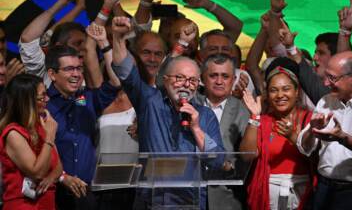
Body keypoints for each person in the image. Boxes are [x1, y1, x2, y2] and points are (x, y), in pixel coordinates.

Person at [110, 16, 225, 210]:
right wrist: (118, 38)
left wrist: (197, 129)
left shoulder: (205, 115)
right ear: (165, 79)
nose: (185, 85)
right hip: (153, 201)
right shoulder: (150, 102)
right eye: (179, 78)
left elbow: (219, 161)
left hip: (191, 202)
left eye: (192, 81)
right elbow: (125, 72)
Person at [45, 45, 119, 210]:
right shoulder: (42, 104)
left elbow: (116, 80)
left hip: (87, 194)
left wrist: (104, 43)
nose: (76, 74)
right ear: (52, 74)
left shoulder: (87, 99)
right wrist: (63, 177)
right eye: (69, 69)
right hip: (54, 193)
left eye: (79, 68)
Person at [239, 59, 313, 210]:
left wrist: (293, 136)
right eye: (273, 90)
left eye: (286, 89)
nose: (280, 95)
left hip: (304, 194)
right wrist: (254, 117)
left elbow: (317, 158)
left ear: (296, 91)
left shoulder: (310, 119)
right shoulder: (264, 121)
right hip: (268, 196)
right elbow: (247, 155)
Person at [297, 51, 352, 210]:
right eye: (326, 76)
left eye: (332, 78)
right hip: (324, 187)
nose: (325, 83)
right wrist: (312, 130)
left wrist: (342, 137)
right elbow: (305, 148)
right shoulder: (326, 101)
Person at [195, 54, 250, 210]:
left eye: (225, 76)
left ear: (233, 80)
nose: (219, 81)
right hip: (188, 191)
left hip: (225, 195)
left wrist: (229, 167)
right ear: (202, 78)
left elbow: (247, 157)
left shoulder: (244, 111)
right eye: (213, 75)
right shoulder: (188, 105)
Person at [0, 74, 61, 210]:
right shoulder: (14, 133)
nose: (47, 99)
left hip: (47, 202)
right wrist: (50, 137)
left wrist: (51, 178)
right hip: (24, 205)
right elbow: (37, 172)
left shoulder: (41, 127)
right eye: (42, 96)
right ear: (27, 101)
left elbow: (58, 167)